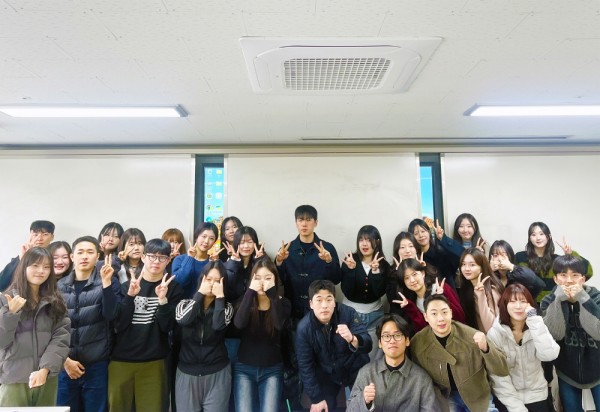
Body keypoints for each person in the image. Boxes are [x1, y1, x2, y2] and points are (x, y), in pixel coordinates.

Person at [109, 239, 183, 412]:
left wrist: (162, 300)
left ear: (168, 260)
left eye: (162, 258)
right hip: (122, 360)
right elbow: (119, 324)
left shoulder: (173, 288)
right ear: (143, 257)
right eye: (152, 256)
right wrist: (130, 296)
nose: (156, 261)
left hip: (155, 360)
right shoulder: (127, 286)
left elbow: (167, 327)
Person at [57, 236, 122, 412]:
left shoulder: (109, 282)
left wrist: (107, 284)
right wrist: (65, 360)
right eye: (80, 252)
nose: (85, 256)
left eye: (90, 252)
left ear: (97, 256)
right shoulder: (59, 286)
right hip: (66, 364)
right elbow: (52, 327)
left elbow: (111, 315)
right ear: (72, 257)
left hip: (96, 364)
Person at [411, 294, 509, 411]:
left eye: (444, 312)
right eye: (434, 314)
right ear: (426, 317)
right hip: (446, 399)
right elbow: (419, 376)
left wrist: (486, 349)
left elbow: (502, 370)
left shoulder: (471, 335)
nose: (440, 318)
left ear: (451, 313)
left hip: (477, 396)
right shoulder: (418, 342)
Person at [0, 247, 70, 407]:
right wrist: (10, 314)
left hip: (46, 379)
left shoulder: (56, 302)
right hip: (14, 379)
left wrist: (45, 370)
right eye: (35, 265)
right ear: (24, 267)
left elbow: (60, 340)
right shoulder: (5, 299)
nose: (41, 271)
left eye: (46, 267)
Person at [295, 280, 372, 411]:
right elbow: (305, 366)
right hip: (327, 374)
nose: (324, 305)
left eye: (329, 299)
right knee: (324, 407)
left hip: (355, 368)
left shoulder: (348, 313)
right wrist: (316, 398)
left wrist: (352, 339)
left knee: (363, 405)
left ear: (334, 302)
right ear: (311, 304)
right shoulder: (304, 328)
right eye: (319, 300)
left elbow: (368, 343)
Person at [541, 255, 600, 411]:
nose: (569, 280)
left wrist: (583, 298)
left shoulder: (596, 297)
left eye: (575, 275)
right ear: (555, 279)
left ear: (583, 278)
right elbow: (556, 334)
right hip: (567, 371)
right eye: (563, 275)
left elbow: (598, 332)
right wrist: (558, 301)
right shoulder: (548, 301)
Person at [488, 284, 559, 412]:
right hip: (508, 399)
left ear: (530, 304)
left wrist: (534, 321)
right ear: (505, 305)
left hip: (538, 395)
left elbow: (550, 355)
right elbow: (498, 377)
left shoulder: (536, 326)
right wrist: (517, 408)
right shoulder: (496, 333)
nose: (518, 306)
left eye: (523, 301)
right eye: (512, 301)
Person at [347, 314, 441, 411]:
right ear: (380, 343)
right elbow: (349, 409)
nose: (392, 341)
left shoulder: (421, 379)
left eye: (397, 335)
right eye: (386, 336)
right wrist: (363, 400)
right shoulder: (367, 373)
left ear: (407, 341)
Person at [233, 258, 291, 412]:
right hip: (244, 368)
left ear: (275, 280)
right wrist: (249, 293)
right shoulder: (245, 301)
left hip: (272, 369)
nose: (262, 282)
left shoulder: (283, 303)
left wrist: (273, 297)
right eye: (257, 278)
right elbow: (239, 324)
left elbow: (279, 325)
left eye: (267, 278)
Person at [175, 260, 234, 412]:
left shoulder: (227, 307)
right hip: (187, 372)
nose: (212, 284)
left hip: (217, 372)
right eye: (208, 279)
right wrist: (200, 294)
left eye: (217, 281)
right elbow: (183, 320)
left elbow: (218, 326)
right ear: (201, 279)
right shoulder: (184, 303)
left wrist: (220, 298)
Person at [276, 205, 341, 322]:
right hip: (293, 310)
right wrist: (279, 262)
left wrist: (329, 261)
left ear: (315, 222)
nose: (304, 224)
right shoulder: (286, 250)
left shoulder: (327, 248)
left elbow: (336, 280)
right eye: (300, 220)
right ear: (296, 223)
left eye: (308, 219)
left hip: (320, 311)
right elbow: (278, 281)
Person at [341, 225, 390, 358]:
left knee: (373, 354)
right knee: (351, 354)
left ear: (377, 242)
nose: (364, 244)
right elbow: (347, 291)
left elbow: (379, 292)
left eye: (369, 240)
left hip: (375, 315)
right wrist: (351, 270)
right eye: (361, 239)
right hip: (351, 314)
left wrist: (375, 272)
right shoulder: (350, 260)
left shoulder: (383, 265)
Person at [515, 221, 593, 301]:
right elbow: (513, 281)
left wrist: (571, 255)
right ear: (529, 238)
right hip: (527, 303)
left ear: (549, 236)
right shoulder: (520, 257)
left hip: (552, 304)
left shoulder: (557, 260)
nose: (538, 238)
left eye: (541, 234)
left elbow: (588, 272)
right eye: (533, 235)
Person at [389, 258, 465, 334]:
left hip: (457, 333)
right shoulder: (413, 301)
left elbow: (460, 317)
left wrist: (443, 297)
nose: (412, 280)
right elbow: (424, 331)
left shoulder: (440, 287)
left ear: (423, 273)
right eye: (407, 278)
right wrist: (410, 308)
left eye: (414, 274)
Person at [458, 247, 504, 332]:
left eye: (472, 265)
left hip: (493, 338)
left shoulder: (492, 289)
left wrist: (481, 297)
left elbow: (492, 329)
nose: (466, 268)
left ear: (482, 267)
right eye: (463, 264)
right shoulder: (467, 287)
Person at [0, 220, 55, 292]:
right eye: (35, 234)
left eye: (45, 234)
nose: (39, 239)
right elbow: (1, 284)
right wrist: (22, 258)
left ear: (52, 237)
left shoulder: (57, 257)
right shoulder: (21, 257)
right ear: (30, 236)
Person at [408, 218, 462, 290]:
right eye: (416, 233)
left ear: (429, 232)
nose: (420, 235)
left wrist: (443, 238)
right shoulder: (414, 258)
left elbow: (461, 255)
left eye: (423, 231)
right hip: (428, 294)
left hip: (447, 292)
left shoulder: (441, 251)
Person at [172, 222, 220, 299]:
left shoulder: (213, 261)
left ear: (214, 242)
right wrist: (190, 258)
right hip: (182, 304)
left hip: (205, 304)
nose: (206, 241)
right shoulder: (180, 259)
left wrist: (214, 263)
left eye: (211, 238)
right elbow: (179, 283)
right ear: (196, 237)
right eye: (204, 236)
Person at [225, 226, 267, 303]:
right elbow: (227, 287)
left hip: (255, 305)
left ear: (255, 243)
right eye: (241, 242)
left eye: (250, 242)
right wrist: (234, 262)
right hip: (234, 306)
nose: (246, 246)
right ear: (236, 244)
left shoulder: (262, 260)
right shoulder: (229, 264)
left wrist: (259, 261)